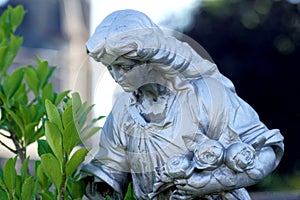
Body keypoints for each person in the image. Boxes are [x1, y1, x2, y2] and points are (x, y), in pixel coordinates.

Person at [81, 9, 284, 200]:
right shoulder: (123, 112)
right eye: (110, 68)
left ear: (151, 59)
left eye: (125, 67)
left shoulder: (205, 95)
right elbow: (108, 177)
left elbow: (265, 149)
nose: (117, 77)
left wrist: (213, 182)